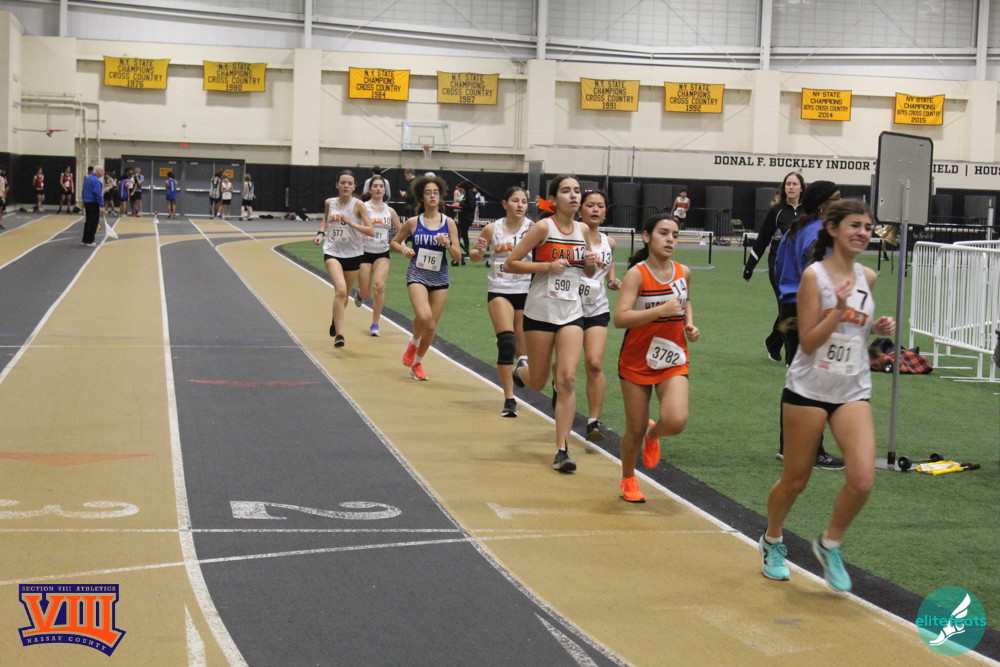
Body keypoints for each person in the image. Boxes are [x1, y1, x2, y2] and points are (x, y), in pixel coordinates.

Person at [759, 199, 896, 592]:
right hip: (808, 389)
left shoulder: (868, 276)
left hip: (852, 389)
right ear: (833, 229)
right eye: (855, 225)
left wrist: (875, 327)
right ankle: (772, 539)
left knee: (863, 480)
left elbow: (855, 329)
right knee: (795, 480)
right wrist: (837, 309)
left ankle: (829, 543)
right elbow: (808, 342)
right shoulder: (813, 277)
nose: (863, 233)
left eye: (868, 227)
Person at [505, 175, 597, 473]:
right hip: (540, 311)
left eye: (577, 191)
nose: (573, 195)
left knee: (567, 378)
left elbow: (585, 270)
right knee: (539, 381)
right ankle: (521, 371)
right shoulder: (544, 228)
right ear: (554, 199)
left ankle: (562, 449)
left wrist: (590, 264)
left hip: (571, 311)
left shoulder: (584, 230)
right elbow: (510, 263)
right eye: (566, 191)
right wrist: (548, 266)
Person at [613, 214, 699, 502]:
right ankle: (628, 478)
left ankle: (654, 434)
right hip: (636, 360)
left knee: (676, 420)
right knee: (634, 429)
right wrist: (660, 310)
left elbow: (686, 302)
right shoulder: (637, 274)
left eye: (675, 234)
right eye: (663, 233)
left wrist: (689, 324)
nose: (670, 239)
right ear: (647, 237)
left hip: (672, 357)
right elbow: (620, 318)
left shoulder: (683, 272)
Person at [773, 180, 845, 470]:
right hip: (810, 309)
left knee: (797, 376)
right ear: (822, 203)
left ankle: (789, 447)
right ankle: (811, 450)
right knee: (813, 379)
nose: (840, 202)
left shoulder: (796, 229)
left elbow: (778, 267)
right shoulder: (819, 233)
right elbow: (820, 276)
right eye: (836, 198)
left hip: (789, 304)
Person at [390, 173, 462, 381]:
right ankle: (413, 343)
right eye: (428, 193)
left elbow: (458, 256)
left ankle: (417, 363)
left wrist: (447, 244)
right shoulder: (413, 222)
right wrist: (404, 250)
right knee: (423, 316)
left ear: (440, 197)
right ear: (421, 197)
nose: (432, 196)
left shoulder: (449, 223)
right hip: (417, 273)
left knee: (431, 326)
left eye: (435, 193)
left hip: (440, 276)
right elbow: (394, 243)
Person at [470, 185, 532, 417]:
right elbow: (474, 257)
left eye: (523, 201)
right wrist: (479, 251)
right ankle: (509, 398)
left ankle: (518, 370)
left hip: (526, 290)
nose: (520, 205)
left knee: (523, 353)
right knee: (507, 343)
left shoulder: (534, 228)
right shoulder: (492, 228)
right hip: (500, 289)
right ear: (505, 204)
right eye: (515, 201)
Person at [744, 172, 805, 363]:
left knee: (795, 307)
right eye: (788, 184)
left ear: (801, 188)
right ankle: (790, 357)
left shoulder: (808, 211)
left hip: (799, 266)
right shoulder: (777, 211)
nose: (791, 187)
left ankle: (773, 342)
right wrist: (749, 266)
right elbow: (762, 239)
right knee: (786, 305)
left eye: (795, 184)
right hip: (778, 264)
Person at [578, 189, 621, 442]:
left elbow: (609, 264)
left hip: (597, 308)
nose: (595, 209)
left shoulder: (609, 242)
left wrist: (612, 279)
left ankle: (593, 421)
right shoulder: (571, 237)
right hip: (569, 309)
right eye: (590, 205)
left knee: (594, 363)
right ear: (580, 209)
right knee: (567, 366)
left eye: (600, 206)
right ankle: (557, 383)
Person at [313, 170, 374, 348]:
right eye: (343, 182)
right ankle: (339, 335)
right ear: (337, 185)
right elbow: (326, 219)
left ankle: (336, 319)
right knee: (340, 291)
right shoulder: (330, 203)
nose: (346, 186)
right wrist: (320, 233)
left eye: (349, 183)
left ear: (354, 186)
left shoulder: (359, 205)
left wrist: (352, 223)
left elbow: (370, 230)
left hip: (353, 253)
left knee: (344, 295)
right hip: (332, 251)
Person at [352, 174, 401, 337]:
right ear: (370, 189)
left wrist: (399, 244)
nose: (378, 189)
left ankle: (375, 324)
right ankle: (360, 293)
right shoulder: (362, 207)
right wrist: (359, 235)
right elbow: (353, 225)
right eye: (375, 186)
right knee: (366, 294)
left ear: (385, 190)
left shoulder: (390, 211)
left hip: (382, 253)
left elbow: (401, 231)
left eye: (381, 186)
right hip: (364, 252)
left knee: (379, 287)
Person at [453, 181, 476, 266]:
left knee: (464, 233)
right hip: (463, 217)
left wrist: (460, 204)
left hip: (468, 217)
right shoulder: (466, 195)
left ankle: (466, 250)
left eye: (460, 189)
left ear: (464, 188)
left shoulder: (470, 195)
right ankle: (462, 249)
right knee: (462, 233)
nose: (460, 191)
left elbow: (471, 206)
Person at [81, 166, 105, 246]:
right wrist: (102, 205)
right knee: (93, 222)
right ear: (98, 171)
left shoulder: (88, 179)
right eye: (102, 171)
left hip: (87, 202)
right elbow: (97, 194)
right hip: (93, 203)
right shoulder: (96, 181)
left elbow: (83, 190)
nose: (103, 173)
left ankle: (85, 239)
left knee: (88, 221)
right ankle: (90, 240)